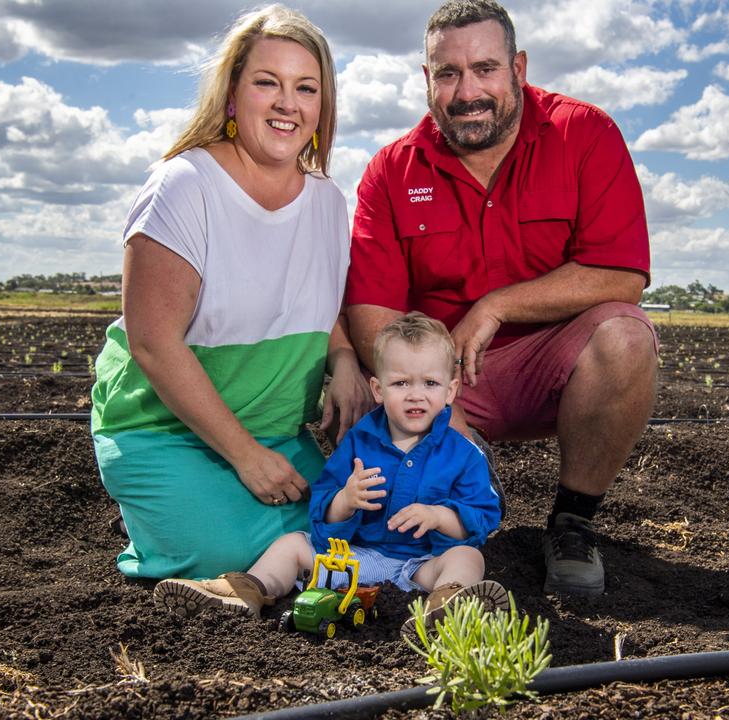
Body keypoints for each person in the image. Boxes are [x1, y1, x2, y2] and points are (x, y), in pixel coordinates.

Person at [344, 0, 658, 598]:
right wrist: (437, 404)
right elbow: (371, 314)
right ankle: (432, 518)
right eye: (448, 73)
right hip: (441, 377)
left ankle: (572, 523)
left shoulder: (584, 133)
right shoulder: (390, 169)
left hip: (551, 363)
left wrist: (496, 306)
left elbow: (621, 274)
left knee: (625, 335)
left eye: (485, 69)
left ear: (517, 67)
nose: (467, 92)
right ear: (427, 79)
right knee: (350, 396)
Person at [90, 5, 369, 581]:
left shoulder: (325, 200)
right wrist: (245, 457)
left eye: (305, 87)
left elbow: (321, 306)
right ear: (233, 96)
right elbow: (152, 343)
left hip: (277, 432)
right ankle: (169, 523)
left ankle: (233, 522)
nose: (287, 103)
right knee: (224, 557)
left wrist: (343, 361)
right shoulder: (184, 186)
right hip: (166, 430)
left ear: (322, 107)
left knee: (359, 528)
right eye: (267, 82)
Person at [153, 312, 506, 631]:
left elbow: (484, 516)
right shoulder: (358, 443)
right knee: (292, 544)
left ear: (450, 391)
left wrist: (439, 516)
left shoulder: (463, 454)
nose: (416, 395)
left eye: (429, 383)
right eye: (401, 384)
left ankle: (446, 605)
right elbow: (322, 507)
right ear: (378, 390)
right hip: (354, 561)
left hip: (421, 566)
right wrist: (345, 500)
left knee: (467, 557)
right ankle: (246, 590)